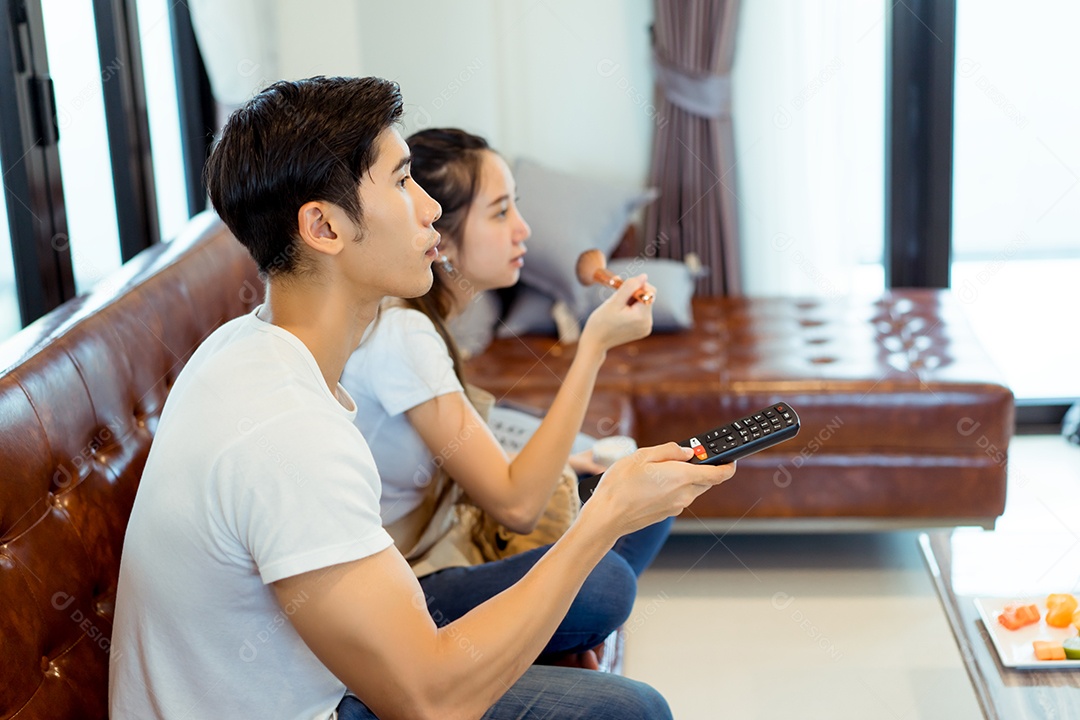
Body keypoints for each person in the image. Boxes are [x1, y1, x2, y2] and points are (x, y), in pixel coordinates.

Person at [109, 76, 735, 720]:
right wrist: (602, 518)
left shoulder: (241, 347)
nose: (430, 208)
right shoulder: (288, 430)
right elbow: (430, 705)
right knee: (632, 711)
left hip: (325, 675)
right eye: (403, 181)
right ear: (323, 226)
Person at [341, 128, 674, 666]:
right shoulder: (404, 336)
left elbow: (464, 463)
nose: (523, 230)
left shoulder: (427, 322)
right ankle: (561, 635)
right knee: (605, 585)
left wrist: (568, 462)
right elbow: (518, 507)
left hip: (447, 536)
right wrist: (593, 346)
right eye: (500, 213)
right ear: (439, 241)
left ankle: (562, 637)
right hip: (410, 585)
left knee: (649, 491)